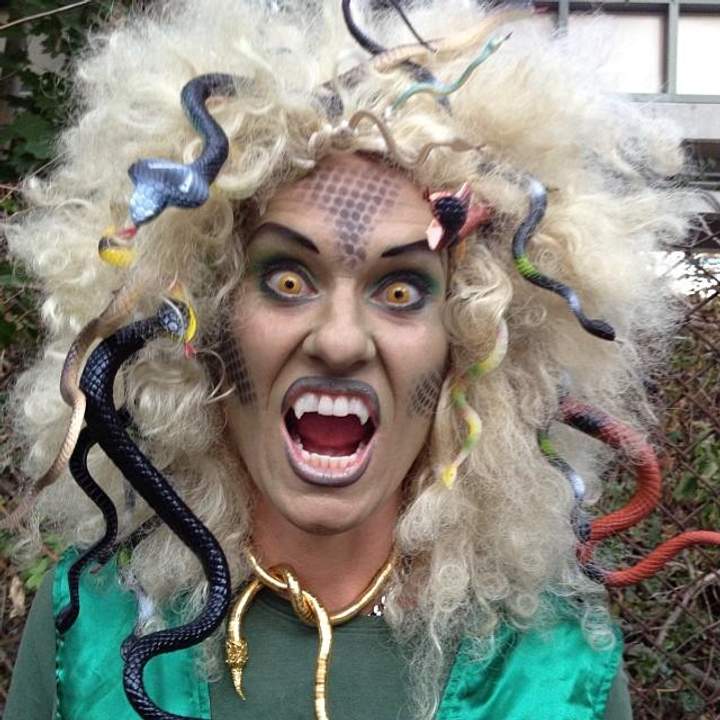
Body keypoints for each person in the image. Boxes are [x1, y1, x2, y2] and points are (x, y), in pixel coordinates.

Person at [4, 1, 716, 719]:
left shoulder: (555, 669)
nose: (341, 341)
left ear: (471, 345)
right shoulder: (91, 630)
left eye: (401, 289)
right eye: (288, 280)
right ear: (202, 320)